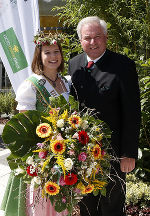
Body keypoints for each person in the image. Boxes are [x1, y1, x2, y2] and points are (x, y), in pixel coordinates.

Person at [68, 16, 141, 216]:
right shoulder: (73, 64)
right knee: (86, 205)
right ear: (80, 40)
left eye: (97, 37)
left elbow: (132, 111)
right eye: (87, 38)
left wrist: (128, 153)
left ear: (106, 38)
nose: (93, 42)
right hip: (81, 152)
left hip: (113, 151)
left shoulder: (123, 65)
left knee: (111, 205)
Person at [1, 31, 70, 216]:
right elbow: (26, 125)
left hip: (65, 155)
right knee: (42, 206)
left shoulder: (66, 82)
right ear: (39, 55)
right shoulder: (31, 85)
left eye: (56, 51)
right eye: (47, 52)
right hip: (41, 156)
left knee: (62, 204)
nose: (53, 56)